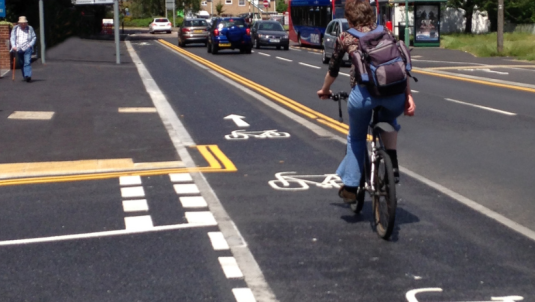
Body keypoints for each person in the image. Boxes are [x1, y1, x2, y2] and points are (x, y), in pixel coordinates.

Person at [317, 0, 416, 203]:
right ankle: (393, 165)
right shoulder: (386, 33)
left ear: (350, 18)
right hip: (394, 94)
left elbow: (333, 70)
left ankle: (352, 186)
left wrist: (325, 90)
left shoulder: (346, 37)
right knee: (390, 123)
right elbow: (401, 66)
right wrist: (408, 96)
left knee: (356, 137)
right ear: (371, 15)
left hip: (364, 95)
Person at [10, 16, 36, 83]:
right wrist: (13, 46)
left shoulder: (30, 28)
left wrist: (30, 45)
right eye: (22, 23)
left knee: (27, 62)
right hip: (19, 49)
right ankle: (25, 76)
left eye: (24, 23)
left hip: (27, 48)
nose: (23, 24)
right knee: (21, 63)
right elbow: (12, 38)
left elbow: (34, 37)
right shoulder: (15, 29)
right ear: (19, 23)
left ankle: (28, 76)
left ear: (26, 22)